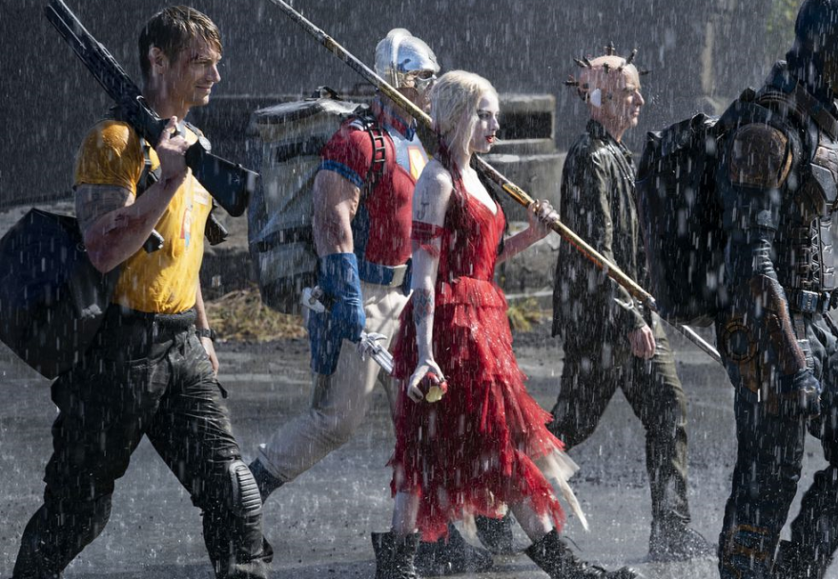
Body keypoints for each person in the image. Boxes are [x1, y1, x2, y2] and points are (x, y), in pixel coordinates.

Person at [11, 7, 271, 578]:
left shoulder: (192, 145)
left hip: (181, 348)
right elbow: (103, 249)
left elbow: (187, 251)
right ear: (157, 61)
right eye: (200, 63)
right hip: (115, 354)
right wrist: (169, 179)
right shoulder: (113, 141)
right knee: (75, 515)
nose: (215, 77)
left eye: (216, 63)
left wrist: (202, 331)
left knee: (236, 498)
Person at [375, 70, 637, 579]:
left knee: (489, 443)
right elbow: (425, 276)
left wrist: (533, 236)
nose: (496, 125)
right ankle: (407, 563)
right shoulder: (437, 179)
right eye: (484, 114)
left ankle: (558, 564)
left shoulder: (478, 175)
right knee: (440, 444)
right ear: (456, 118)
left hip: (485, 323)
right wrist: (425, 355)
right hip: (449, 329)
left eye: (496, 114)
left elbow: (484, 257)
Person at [246, 29, 490, 575]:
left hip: (405, 295)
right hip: (362, 292)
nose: (431, 90)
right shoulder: (359, 140)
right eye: (423, 80)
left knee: (422, 417)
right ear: (400, 80)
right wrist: (346, 292)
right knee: (337, 418)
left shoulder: (420, 140)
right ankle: (243, 494)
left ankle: (427, 536)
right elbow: (331, 218)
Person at [505, 45, 709, 562]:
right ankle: (496, 488)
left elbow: (635, 247)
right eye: (627, 92)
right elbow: (601, 249)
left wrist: (653, 307)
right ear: (598, 100)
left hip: (634, 314)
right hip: (601, 321)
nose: (640, 99)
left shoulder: (621, 156)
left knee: (669, 408)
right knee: (570, 426)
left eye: (638, 89)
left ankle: (671, 528)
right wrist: (628, 317)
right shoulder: (589, 159)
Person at [713, 1, 838, 577]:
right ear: (829, 49)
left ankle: (797, 569)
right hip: (770, 327)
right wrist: (792, 357)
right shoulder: (768, 128)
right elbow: (754, 260)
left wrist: (825, 339)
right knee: (769, 479)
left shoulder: (816, 120)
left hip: (817, 324)